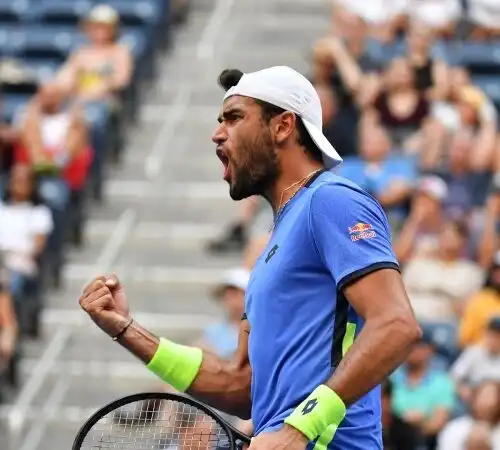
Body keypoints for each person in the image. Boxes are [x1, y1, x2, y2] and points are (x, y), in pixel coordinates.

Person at [79, 66, 421, 449]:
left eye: (235, 117)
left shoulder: (332, 200)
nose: (217, 133)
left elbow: (396, 324)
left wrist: (298, 430)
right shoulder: (272, 245)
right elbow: (240, 384)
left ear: (283, 126)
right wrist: (125, 329)